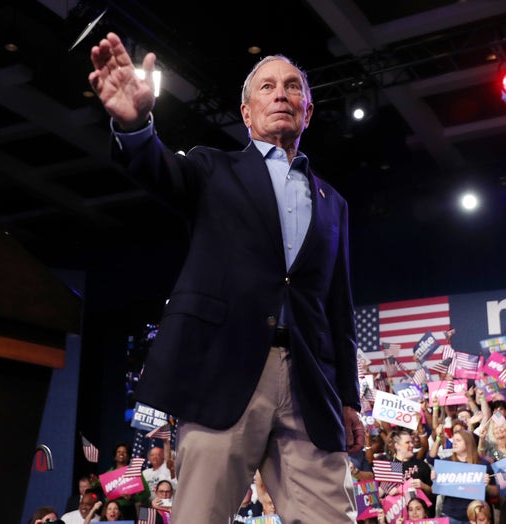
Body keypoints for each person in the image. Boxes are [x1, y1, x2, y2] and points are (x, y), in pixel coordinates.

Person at [88, 33, 363, 524]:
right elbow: (158, 170)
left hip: (310, 386)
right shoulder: (213, 168)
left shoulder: (334, 203)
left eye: (293, 87)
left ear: (309, 111)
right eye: (268, 87)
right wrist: (133, 126)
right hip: (223, 371)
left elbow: (338, 310)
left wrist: (348, 399)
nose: (281, 94)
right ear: (246, 112)